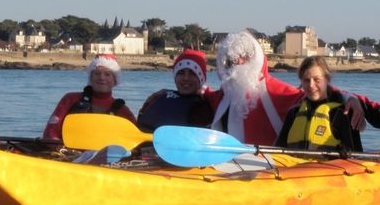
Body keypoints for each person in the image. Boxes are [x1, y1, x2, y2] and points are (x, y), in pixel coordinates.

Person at [206, 30, 364, 146]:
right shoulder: (223, 95)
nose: (238, 63)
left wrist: (349, 98)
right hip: (227, 170)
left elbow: (316, 91)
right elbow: (201, 94)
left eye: (244, 57)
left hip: (266, 171)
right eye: (232, 59)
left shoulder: (274, 91)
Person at [276, 55, 363, 153]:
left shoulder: (342, 114)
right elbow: (277, 150)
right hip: (294, 167)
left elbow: (357, 155)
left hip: (327, 167)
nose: (311, 85)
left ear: (327, 79)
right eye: (306, 80)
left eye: (316, 79)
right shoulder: (293, 113)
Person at [43, 54, 136, 140]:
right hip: (66, 153)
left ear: (115, 80)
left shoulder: (122, 110)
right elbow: (51, 130)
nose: (102, 78)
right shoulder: (70, 99)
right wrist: (57, 147)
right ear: (90, 78)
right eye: (97, 73)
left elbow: (134, 137)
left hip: (103, 155)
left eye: (107, 74)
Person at [137, 49, 214, 131]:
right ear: (175, 77)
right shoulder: (159, 98)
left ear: (201, 79)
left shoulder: (210, 104)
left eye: (192, 73)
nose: (186, 78)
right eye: (181, 73)